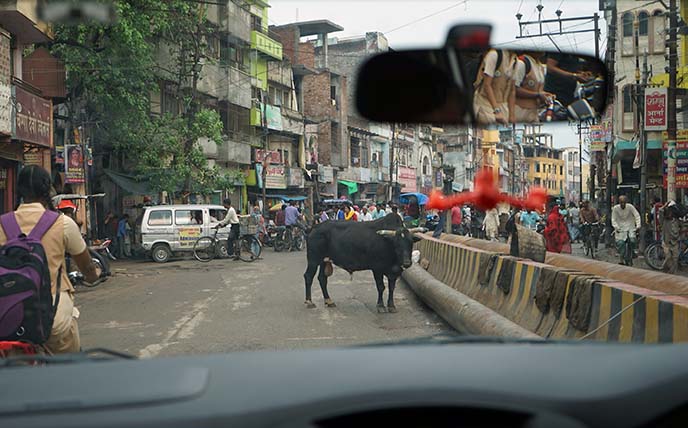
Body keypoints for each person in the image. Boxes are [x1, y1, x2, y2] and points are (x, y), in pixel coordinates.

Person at [0, 165, 99, 353]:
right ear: (47, 190)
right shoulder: (63, 223)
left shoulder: (2, 223)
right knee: (68, 362)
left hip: (7, 314)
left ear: (19, 190)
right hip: (53, 314)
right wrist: (93, 276)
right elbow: (87, 267)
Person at [473, 48, 518, 124]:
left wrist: (512, 115)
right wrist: (497, 110)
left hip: (503, 105)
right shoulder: (494, 55)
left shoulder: (515, 61)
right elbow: (487, 85)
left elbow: (512, 90)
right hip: (485, 104)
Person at [513, 51, 553, 122]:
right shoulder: (522, 63)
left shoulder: (540, 66)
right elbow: (514, 89)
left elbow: (538, 89)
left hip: (534, 112)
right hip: (520, 111)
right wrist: (538, 95)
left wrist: (545, 96)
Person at [611, 195, 641, 265]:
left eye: (624, 202)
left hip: (630, 227)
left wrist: (638, 225)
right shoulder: (615, 208)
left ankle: (632, 252)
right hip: (620, 229)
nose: (623, 204)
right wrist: (616, 227)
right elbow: (613, 219)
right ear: (619, 202)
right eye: (621, 202)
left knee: (633, 241)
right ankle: (621, 258)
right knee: (621, 244)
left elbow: (637, 215)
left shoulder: (630, 207)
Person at [660, 201, 681, 274]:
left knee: (675, 258)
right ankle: (665, 269)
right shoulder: (664, 220)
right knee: (668, 257)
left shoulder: (676, 220)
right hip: (666, 242)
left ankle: (673, 273)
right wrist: (665, 205)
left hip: (675, 241)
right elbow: (660, 211)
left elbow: (680, 227)